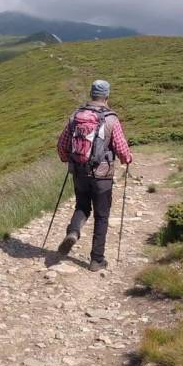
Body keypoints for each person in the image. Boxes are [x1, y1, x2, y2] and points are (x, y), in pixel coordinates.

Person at [56, 79, 133, 271]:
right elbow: (122, 148)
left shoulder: (76, 116)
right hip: (102, 176)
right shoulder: (110, 119)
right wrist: (127, 159)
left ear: (91, 94)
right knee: (102, 216)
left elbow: (62, 145)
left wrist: (68, 160)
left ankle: (73, 232)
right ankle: (96, 260)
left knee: (82, 206)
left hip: (79, 172)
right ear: (107, 96)